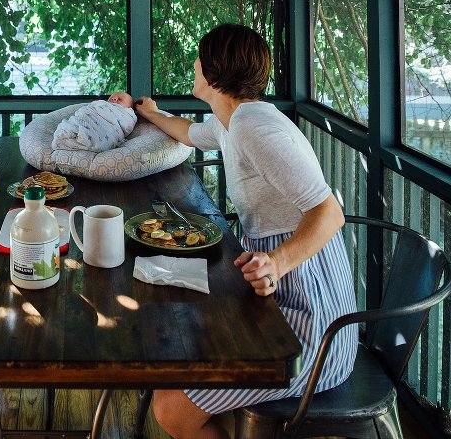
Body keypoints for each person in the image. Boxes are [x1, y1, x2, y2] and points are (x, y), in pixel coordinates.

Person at [134, 24, 358, 439]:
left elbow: (330, 213)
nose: (195, 64)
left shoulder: (255, 127)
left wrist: (276, 261)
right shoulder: (233, 120)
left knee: (170, 408)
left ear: (215, 70)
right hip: (274, 302)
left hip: (313, 324)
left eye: (201, 57)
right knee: (174, 362)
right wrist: (147, 112)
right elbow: (188, 132)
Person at [51, 91, 138, 151]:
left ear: (128, 108)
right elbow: (87, 109)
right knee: (76, 122)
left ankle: (79, 135)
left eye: (120, 99)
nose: (114, 99)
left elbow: (127, 127)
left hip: (105, 129)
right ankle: (69, 134)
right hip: (90, 117)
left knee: (94, 136)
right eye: (112, 97)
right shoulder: (101, 104)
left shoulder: (127, 115)